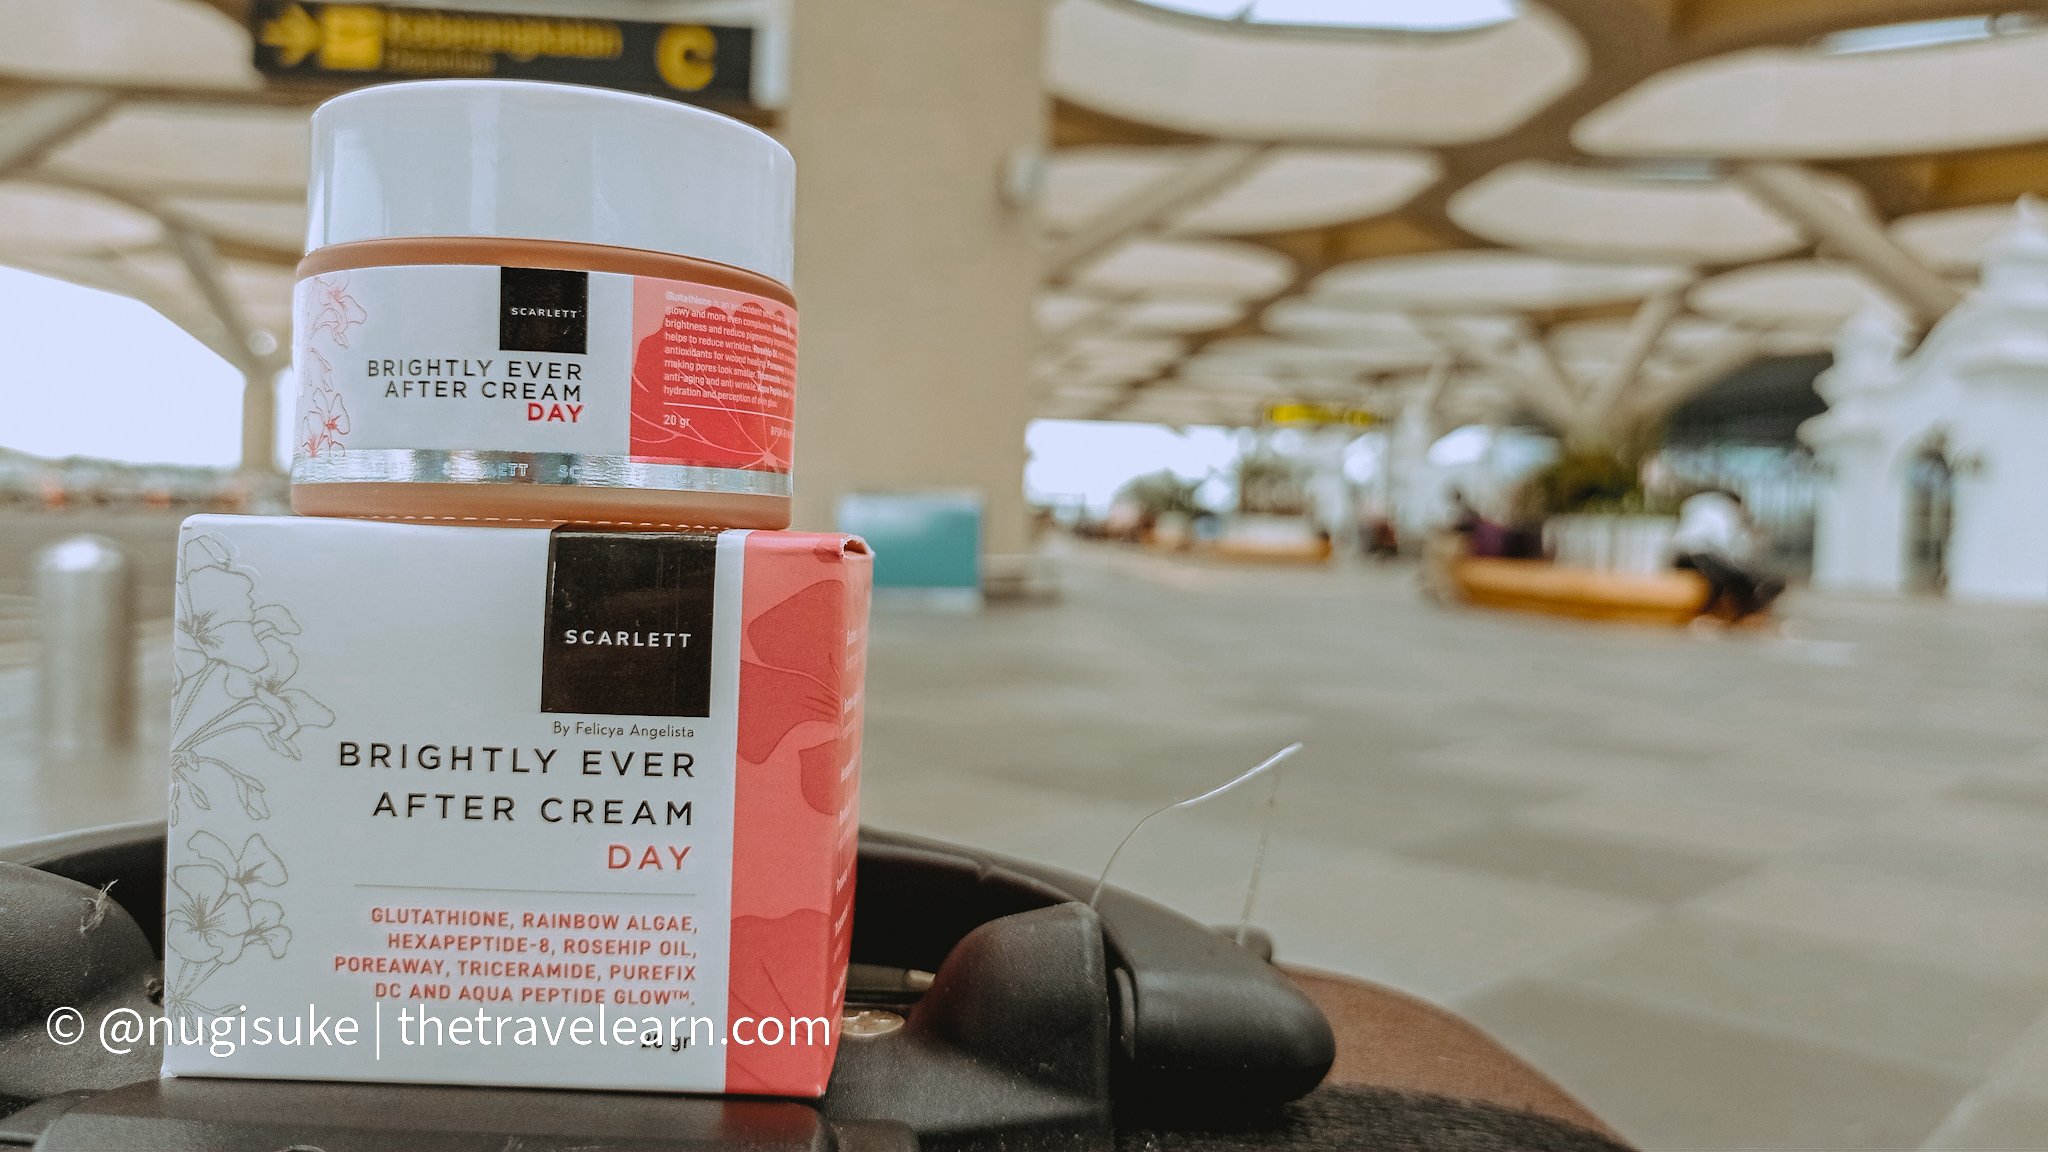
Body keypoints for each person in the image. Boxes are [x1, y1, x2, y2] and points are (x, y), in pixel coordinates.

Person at [1670, 490, 1784, 622]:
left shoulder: (1699, 503)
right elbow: (1728, 542)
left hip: (1680, 556)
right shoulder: (1726, 509)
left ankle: (1718, 613)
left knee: (1725, 581)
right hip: (1700, 556)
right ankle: (1739, 615)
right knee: (1740, 582)